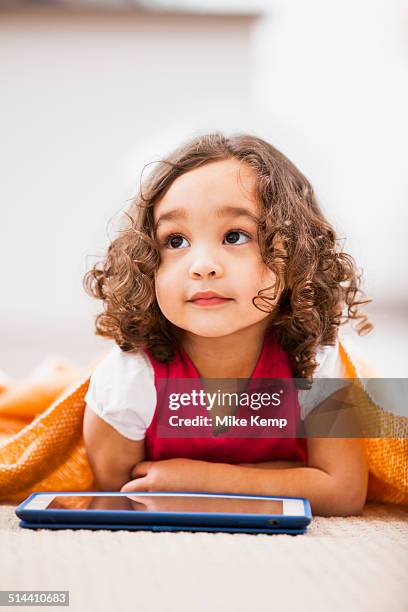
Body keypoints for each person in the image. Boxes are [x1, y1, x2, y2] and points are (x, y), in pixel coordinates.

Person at [82, 132, 373, 516]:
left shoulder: (315, 358)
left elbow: (345, 491)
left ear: (297, 253)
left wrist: (201, 483)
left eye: (235, 236)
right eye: (175, 240)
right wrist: (291, 477)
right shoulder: (130, 377)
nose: (202, 265)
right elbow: (119, 492)